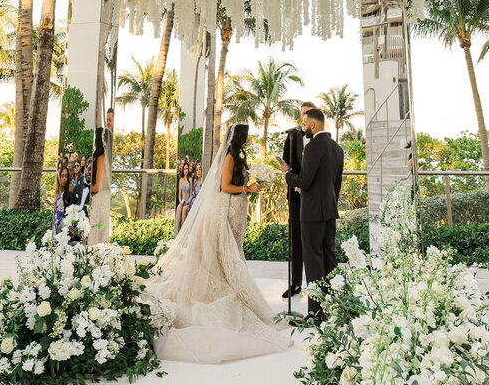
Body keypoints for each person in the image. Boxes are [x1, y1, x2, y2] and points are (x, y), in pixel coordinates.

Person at [147, 124, 290, 363]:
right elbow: (225, 187)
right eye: (246, 136)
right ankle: (233, 289)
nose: (248, 139)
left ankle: (233, 284)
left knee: (233, 252)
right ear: (241, 138)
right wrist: (247, 187)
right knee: (228, 254)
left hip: (236, 209)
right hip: (226, 210)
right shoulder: (229, 157)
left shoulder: (239, 156)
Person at [279, 108, 344, 321]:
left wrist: (288, 174)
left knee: (313, 262)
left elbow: (304, 181)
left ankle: (316, 314)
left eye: (305, 125)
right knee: (329, 259)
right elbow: (336, 184)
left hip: (311, 213)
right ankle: (335, 306)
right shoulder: (337, 148)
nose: (304, 129)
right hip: (329, 211)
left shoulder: (314, 146)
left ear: (313, 125)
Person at [280, 102, 318, 299]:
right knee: (295, 240)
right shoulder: (292, 136)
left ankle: (316, 285)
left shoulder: (320, 139)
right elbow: (286, 162)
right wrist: (293, 180)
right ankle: (295, 283)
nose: (303, 117)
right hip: (295, 196)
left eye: (307, 114)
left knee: (312, 241)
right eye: (302, 113)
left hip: (314, 196)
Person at [88, 124, 113, 247]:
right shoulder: (108, 159)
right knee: (102, 231)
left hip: (100, 199)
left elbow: (97, 187)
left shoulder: (101, 158)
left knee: (96, 230)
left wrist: (86, 188)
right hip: (105, 197)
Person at [53, 165, 72, 232]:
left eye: (66, 176)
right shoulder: (55, 194)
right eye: (62, 176)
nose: (64, 178)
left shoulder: (69, 195)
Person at [175, 161, 191, 232]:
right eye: (184, 169)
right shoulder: (181, 180)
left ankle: (183, 232)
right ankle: (178, 231)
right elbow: (179, 194)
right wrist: (181, 201)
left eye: (187, 168)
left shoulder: (190, 179)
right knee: (179, 208)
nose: (186, 170)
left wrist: (187, 202)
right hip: (182, 201)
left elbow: (191, 195)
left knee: (184, 209)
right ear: (183, 170)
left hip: (188, 202)